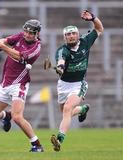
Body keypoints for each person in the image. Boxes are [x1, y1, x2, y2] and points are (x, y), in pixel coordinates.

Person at [0, 19, 44, 152]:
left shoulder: (36, 48)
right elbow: (5, 41)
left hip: (19, 84)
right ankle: (6, 116)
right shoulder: (20, 36)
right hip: (5, 83)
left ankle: (37, 145)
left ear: (37, 34)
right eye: (27, 31)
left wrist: (4, 47)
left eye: (31, 33)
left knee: (17, 116)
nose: (28, 34)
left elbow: (19, 56)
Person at [50, 10, 104, 152]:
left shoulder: (86, 41)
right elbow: (61, 61)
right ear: (65, 38)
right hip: (63, 85)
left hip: (78, 84)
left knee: (67, 109)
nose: (71, 36)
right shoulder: (62, 50)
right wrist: (60, 68)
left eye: (73, 33)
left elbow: (99, 29)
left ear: (78, 34)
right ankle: (83, 110)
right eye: (68, 34)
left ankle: (60, 139)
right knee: (66, 112)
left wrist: (93, 18)